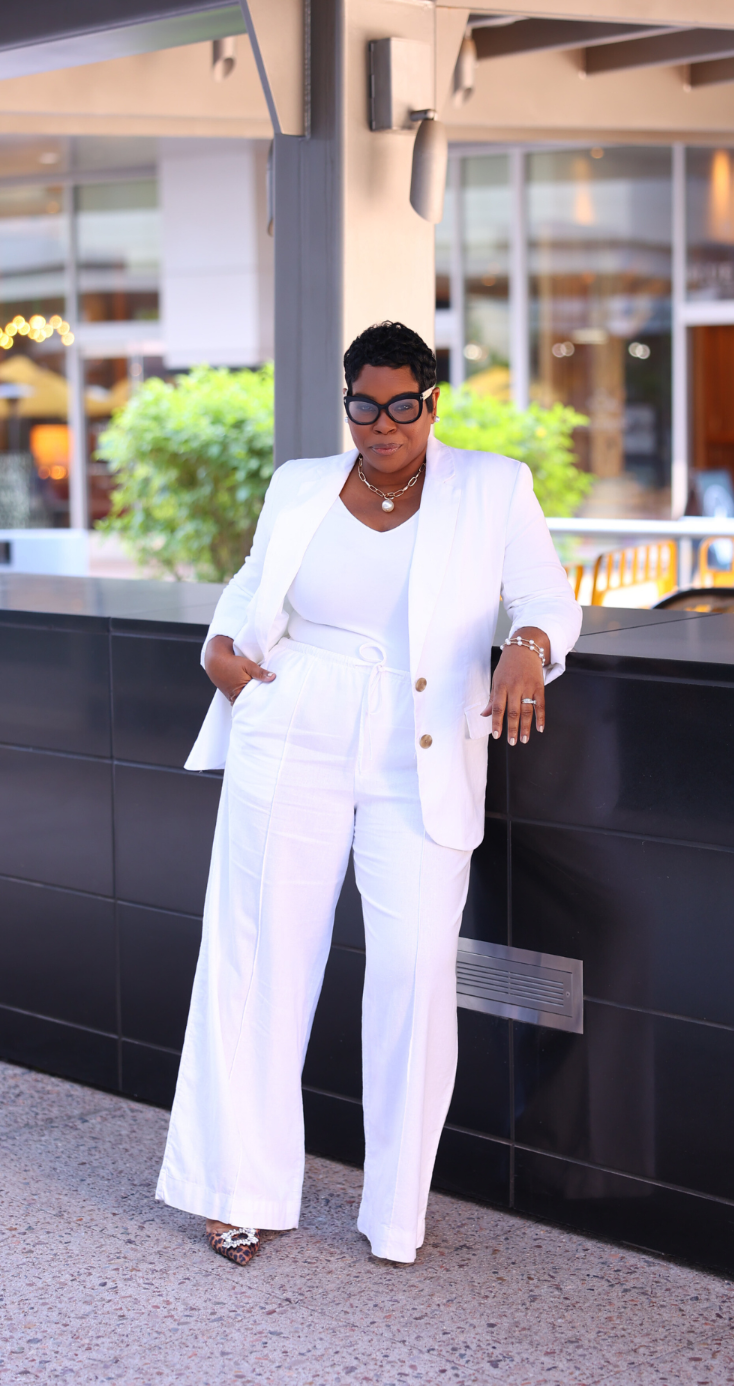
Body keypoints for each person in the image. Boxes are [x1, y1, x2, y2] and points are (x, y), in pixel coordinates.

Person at [155, 321, 582, 1267]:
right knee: (257, 958)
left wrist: (527, 648)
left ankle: (394, 1214)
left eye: (401, 406)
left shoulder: (494, 485)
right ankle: (236, 1193)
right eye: (364, 406)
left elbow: (548, 598)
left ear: (432, 402)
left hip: (417, 742)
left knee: (414, 973)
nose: (383, 425)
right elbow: (255, 580)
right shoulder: (300, 483)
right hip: (293, 717)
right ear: (346, 401)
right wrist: (220, 647)